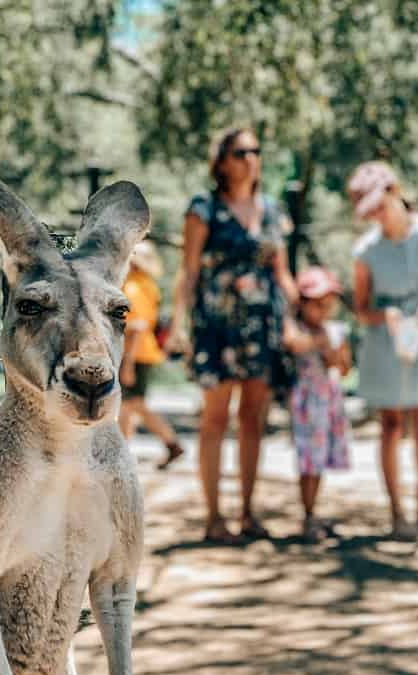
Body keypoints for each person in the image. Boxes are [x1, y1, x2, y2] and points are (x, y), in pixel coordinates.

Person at [169, 125, 297, 543]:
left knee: (253, 419)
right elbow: (188, 270)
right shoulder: (203, 209)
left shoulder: (273, 211)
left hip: (262, 326)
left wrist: (300, 319)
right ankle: (212, 517)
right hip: (216, 326)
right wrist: (177, 321)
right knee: (215, 418)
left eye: (256, 151)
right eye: (241, 152)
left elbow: (282, 274)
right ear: (222, 161)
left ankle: (247, 511)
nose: (250, 159)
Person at [348, 161, 418, 539]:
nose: (378, 217)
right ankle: (396, 508)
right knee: (391, 426)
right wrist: (386, 316)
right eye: (371, 212)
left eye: (381, 206)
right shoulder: (365, 251)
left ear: (396, 193)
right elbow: (361, 311)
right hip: (387, 341)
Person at [284, 266, 352, 542]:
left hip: (328, 400)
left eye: (329, 304)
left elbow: (345, 367)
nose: (324, 310)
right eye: (318, 303)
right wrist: (321, 342)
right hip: (306, 402)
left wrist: (335, 355)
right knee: (309, 460)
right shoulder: (298, 328)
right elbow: (294, 343)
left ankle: (312, 514)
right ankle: (308, 514)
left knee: (319, 460)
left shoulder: (335, 331)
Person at [119, 240, 184, 470]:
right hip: (144, 352)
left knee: (131, 404)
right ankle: (123, 453)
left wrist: (127, 363)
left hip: (133, 353)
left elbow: (135, 327)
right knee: (129, 404)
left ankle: (170, 442)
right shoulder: (149, 285)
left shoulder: (132, 288)